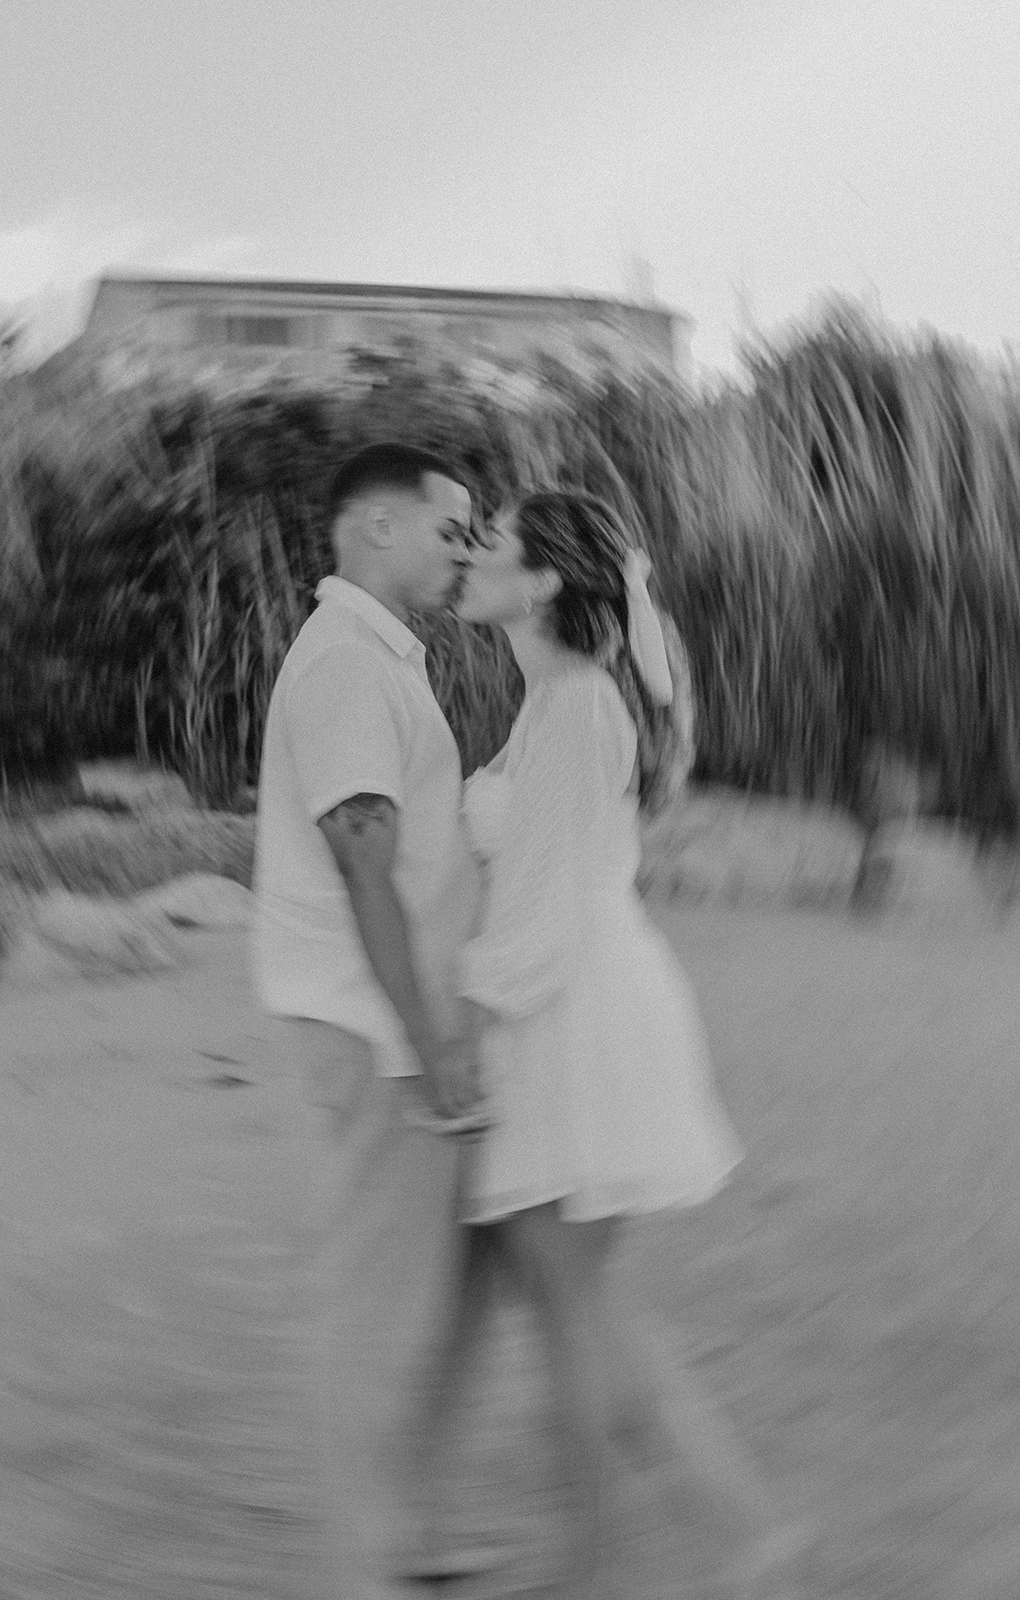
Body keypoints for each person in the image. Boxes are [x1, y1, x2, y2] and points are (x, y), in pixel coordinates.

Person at [408, 490, 807, 1598]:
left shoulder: (577, 708)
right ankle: (741, 1536)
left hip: (564, 1016)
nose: (470, 556)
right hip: (568, 1003)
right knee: (579, 1304)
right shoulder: (552, 705)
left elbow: (536, 913)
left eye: (489, 544)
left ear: (539, 584)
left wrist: (462, 1033)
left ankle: (593, 1566)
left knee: (573, 1308)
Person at [250, 442, 491, 1599]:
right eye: (451, 529)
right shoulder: (347, 659)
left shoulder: (377, 655)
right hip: (365, 1027)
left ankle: (404, 1541)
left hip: (378, 1018)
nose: (466, 552)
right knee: (367, 1301)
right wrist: (430, 1033)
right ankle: (365, 1569)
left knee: (416, 1292)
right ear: (377, 528)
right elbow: (362, 861)